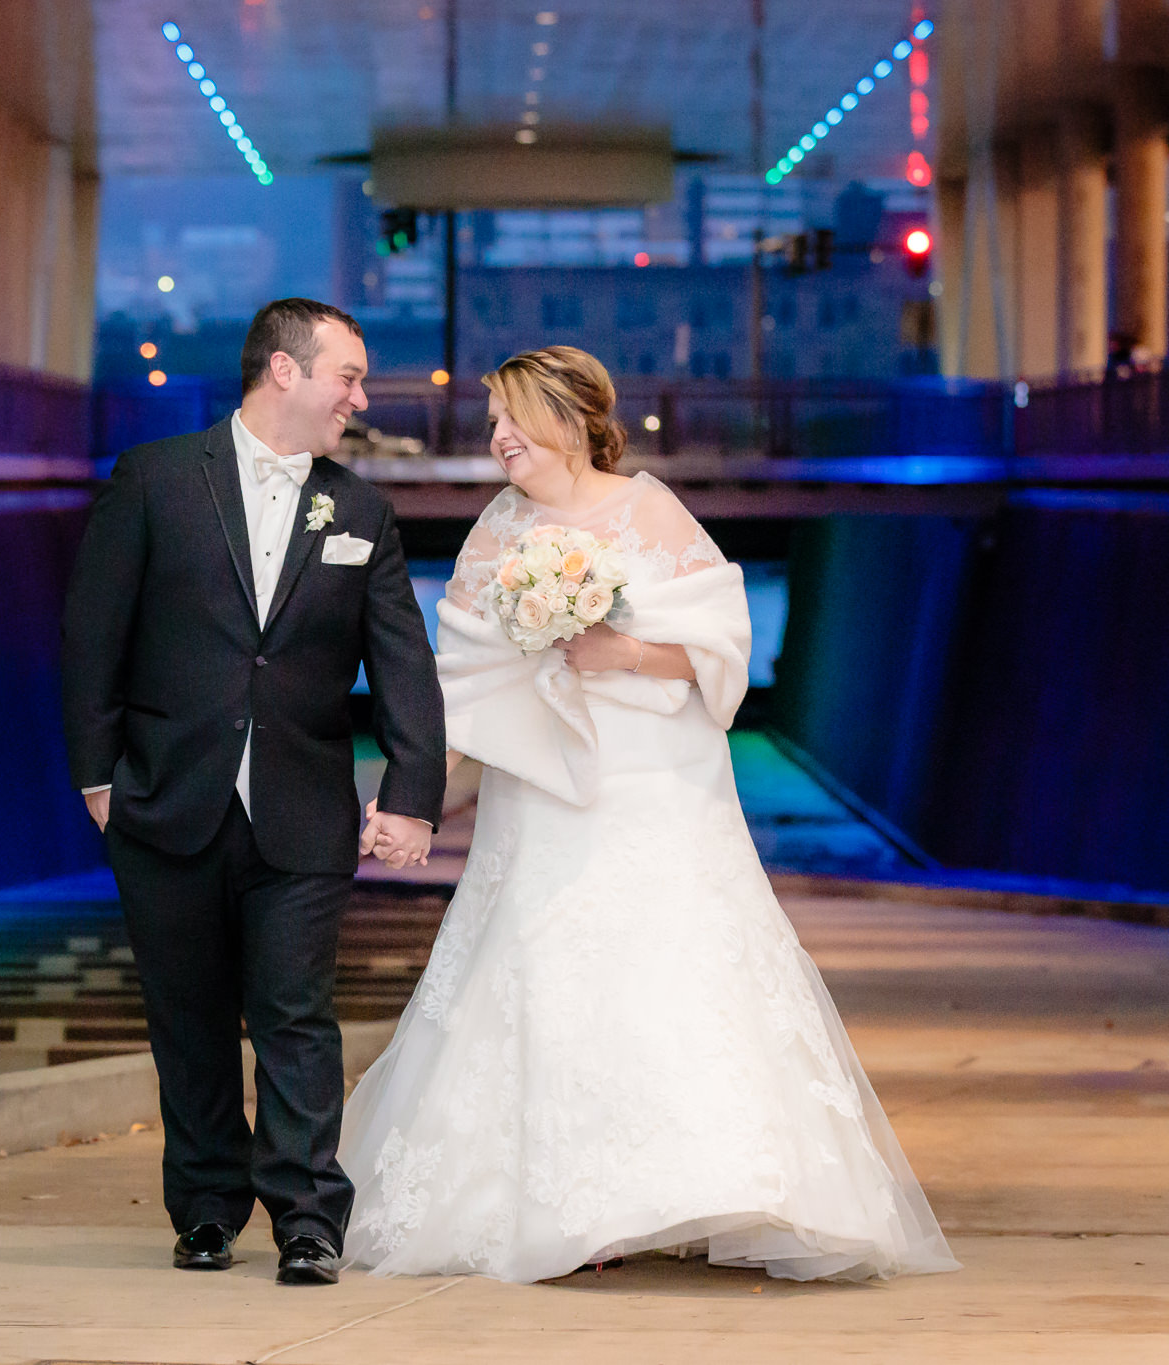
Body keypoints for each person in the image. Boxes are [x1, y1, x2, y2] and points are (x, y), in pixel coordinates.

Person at [344, 345, 959, 1283]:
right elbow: (457, 680)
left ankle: (704, 1185)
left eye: (511, 418)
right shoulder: (497, 529)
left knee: (676, 969)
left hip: (657, 783)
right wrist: (410, 795)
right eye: (494, 422)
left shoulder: (650, 509)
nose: (497, 438)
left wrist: (621, 650)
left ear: (566, 419)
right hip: (544, 793)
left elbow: (720, 647)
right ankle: (574, 1209)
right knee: (545, 967)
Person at [62, 298, 446, 1285]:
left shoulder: (358, 510)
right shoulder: (153, 482)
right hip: (161, 801)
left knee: (293, 1012)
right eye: (347, 377)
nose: (358, 399)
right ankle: (201, 1209)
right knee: (183, 1017)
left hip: (302, 810)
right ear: (283, 370)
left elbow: (400, 664)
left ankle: (307, 1217)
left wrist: (410, 792)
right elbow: (90, 636)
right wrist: (97, 778)